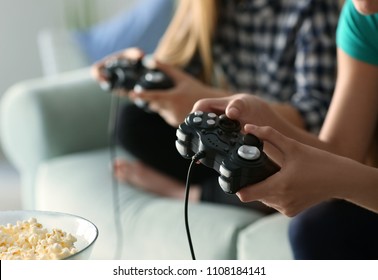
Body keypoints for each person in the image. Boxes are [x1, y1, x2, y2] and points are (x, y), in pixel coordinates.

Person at [92, 0, 339, 212]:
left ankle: (183, 193)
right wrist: (135, 75)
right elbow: (175, 71)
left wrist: (203, 97)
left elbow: (314, 118)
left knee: (262, 172)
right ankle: (220, 182)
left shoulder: (310, 7)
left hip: (279, 140)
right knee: (132, 123)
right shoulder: (210, 6)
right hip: (229, 133)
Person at [192, 0, 378, 259]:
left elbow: (342, 170)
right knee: (317, 230)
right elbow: (342, 153)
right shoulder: (362, 18)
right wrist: (265, 118)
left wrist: (344, 181)